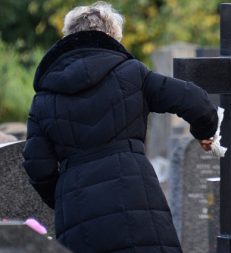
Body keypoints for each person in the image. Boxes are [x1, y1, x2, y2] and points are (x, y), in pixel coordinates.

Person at [22, 2, 220, 252]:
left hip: (78, 208)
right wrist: (205, 133)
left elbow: (37, 166)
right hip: (137, 199)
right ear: (111, 36)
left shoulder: (44, 98)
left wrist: (64, 197)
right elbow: (195, 100)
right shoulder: (132, 74)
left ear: (68, 36)